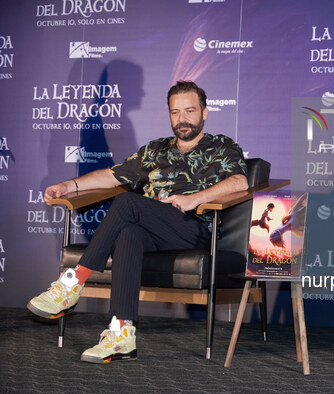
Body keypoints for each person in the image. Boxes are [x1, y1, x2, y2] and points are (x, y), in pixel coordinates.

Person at [27, 81, 248, 364]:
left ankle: (73, 283)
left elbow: (240, 181)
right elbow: (112, 175)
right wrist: (69, 186)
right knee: (128, 233)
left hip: (194, 228)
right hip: (152, 226)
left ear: (204, 113)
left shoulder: (221, 146)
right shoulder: (156, 150)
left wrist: (196, 199)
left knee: (128, 202)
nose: (182, 119)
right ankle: (121, 336)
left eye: (190, 111)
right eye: (175, 112)